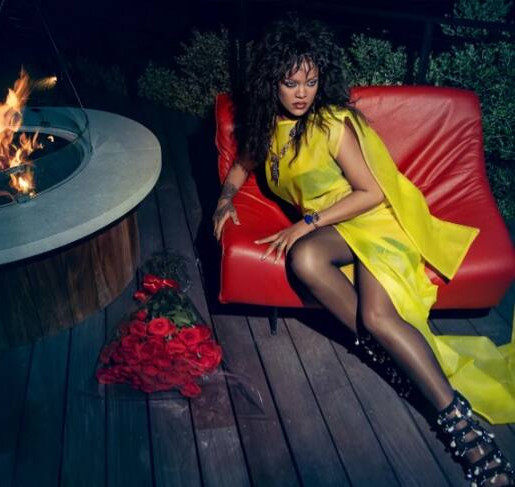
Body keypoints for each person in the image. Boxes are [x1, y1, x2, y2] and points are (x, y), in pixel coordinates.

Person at [212, 17, 514, 487]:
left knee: (375, 316)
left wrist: (306, 222)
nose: (302, 93)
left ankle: (465, 431)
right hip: (334, 230)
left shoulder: (332, 124)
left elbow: (370, 193)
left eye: (311, 81)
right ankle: (395, 361)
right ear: (272, 81)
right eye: (291, 83)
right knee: (305, 259)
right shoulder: (266, 126)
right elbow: (241, 165)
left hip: (373, 220)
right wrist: (225, 198)